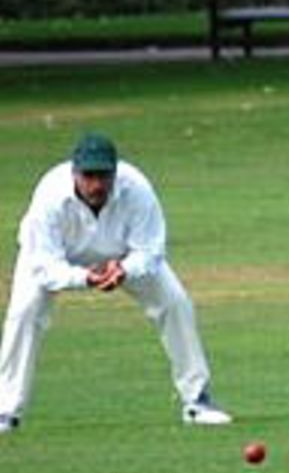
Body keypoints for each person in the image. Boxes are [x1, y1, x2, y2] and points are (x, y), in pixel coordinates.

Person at [0, 133, 232, 432]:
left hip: (122, 255)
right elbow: (44, 265)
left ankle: (197, 401)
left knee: (175, 302)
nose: (97, 185)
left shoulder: (137, 189)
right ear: (75, 173)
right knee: (25, 312)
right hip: (59, 258)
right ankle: (5, 410)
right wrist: (84, 277)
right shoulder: (49, 196)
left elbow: (150, 250)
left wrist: (124, 269)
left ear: (115, 172)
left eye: (104, 176)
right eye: (89, 176)